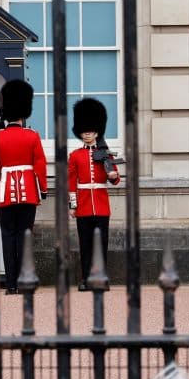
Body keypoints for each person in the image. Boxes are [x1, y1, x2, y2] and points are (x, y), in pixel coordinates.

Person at [0, 79, 47, 294]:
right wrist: (42, 190)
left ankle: (10, 285)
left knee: (8, 237)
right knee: (25, 235)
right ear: (24, 113)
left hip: (6, 192)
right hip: (28, 192)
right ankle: (25, 280)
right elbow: (40, 165)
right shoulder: (32, 135)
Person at [69, 97, 121, 291]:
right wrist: (73, 206)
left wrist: (113, 174)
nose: (87, 134)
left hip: (100, 204)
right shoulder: (75, 155)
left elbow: (115, 180)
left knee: (101, 243)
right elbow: (71, 182)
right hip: (83, 205)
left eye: (90, 131)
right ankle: (85, 279)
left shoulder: (105, 154)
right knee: (85, 244)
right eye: (84, 131)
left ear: (97, 132)